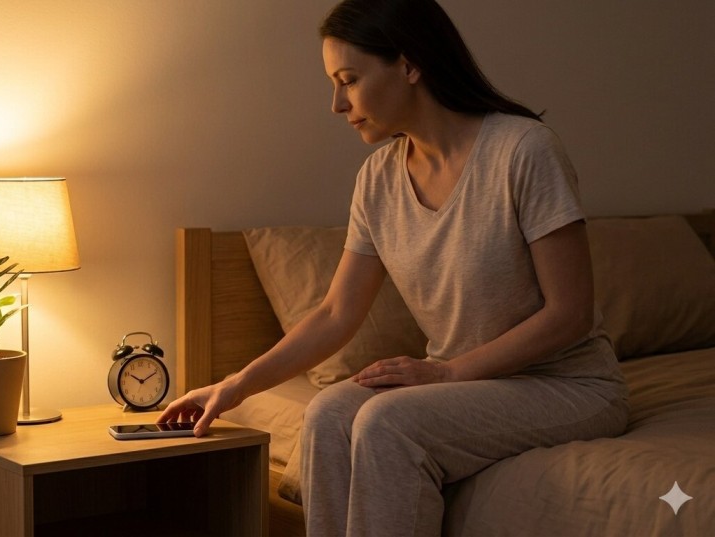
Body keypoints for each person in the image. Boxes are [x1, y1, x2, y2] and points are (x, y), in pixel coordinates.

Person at [159, 0, 629, 535]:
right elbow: (336, 313)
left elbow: (570, 313)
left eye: (349, 80)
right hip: (459, 386)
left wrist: (447, 373)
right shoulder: (378, 179)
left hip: (566, 385)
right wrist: (235, 386)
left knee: (388, 423)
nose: (337, 104)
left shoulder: (523, 150)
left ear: (408, 65)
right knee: (327, 414)